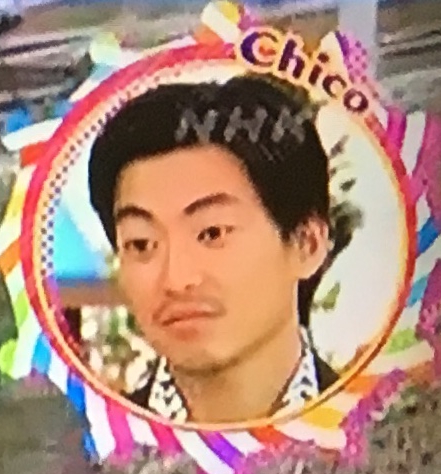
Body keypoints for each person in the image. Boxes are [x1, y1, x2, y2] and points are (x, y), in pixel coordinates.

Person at [83, 72, 358, 425]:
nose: (177, 280)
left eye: (212, 233)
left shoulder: (384, 432)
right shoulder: (94, 452)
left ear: (307, 244)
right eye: (141, 243)